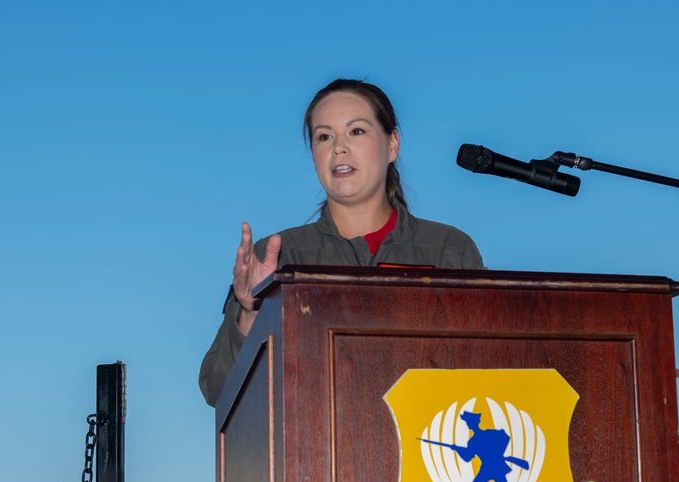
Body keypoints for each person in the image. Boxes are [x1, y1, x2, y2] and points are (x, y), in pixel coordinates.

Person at [199, 78, 485, 405]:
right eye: (324, 136)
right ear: (313, 155)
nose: (338, 147)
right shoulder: (278, 257)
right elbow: (218, 390)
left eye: (356, 131)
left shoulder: (450, 249)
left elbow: (485, 370)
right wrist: (250, 312)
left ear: (392, 144)